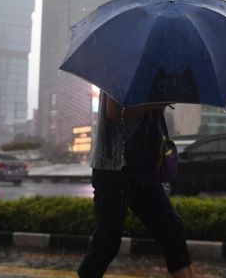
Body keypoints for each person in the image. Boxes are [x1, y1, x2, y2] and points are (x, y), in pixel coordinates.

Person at [78, 92, 193, 278]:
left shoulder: (153, 70)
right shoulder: (119, 63)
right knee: (106, 242)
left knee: (172, 230)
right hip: (112, 167)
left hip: (141, 168)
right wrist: (159, 102)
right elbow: (115, 112)